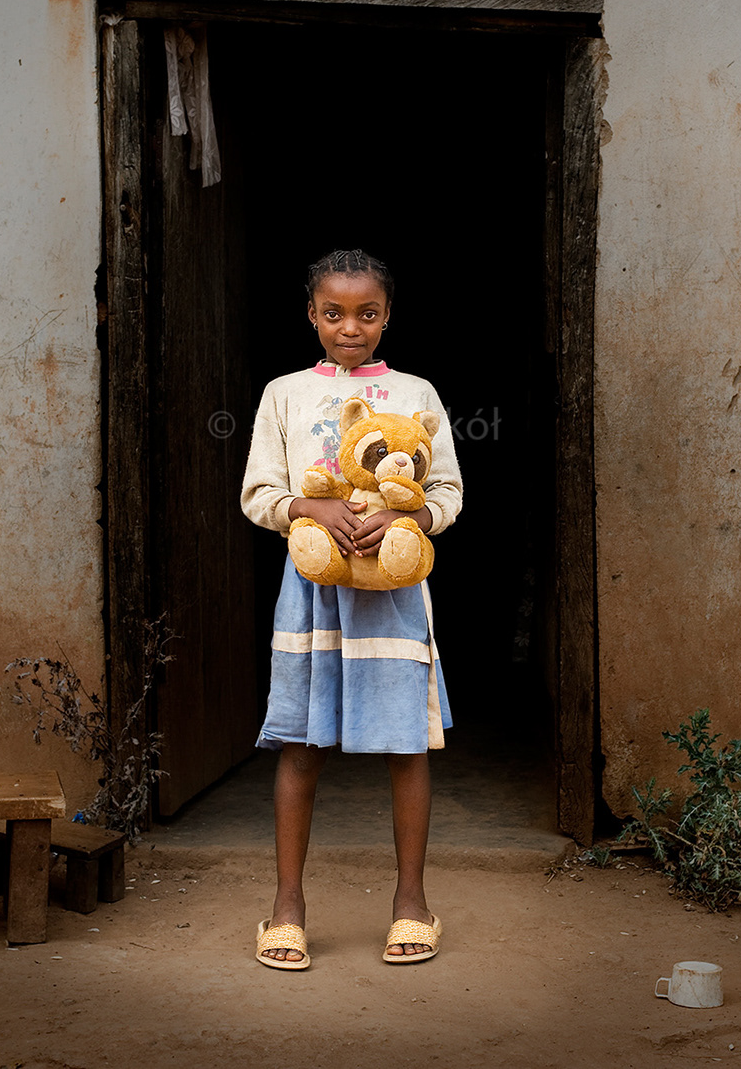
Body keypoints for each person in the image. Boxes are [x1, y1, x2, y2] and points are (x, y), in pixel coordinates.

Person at [239, 248, 463, 969]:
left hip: (394, 596)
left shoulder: (417, 395)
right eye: (333, 313)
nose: (350, 328)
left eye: (367, 314)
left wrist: (411, 522)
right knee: (302, 745)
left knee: (406, 744)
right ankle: (286, 909)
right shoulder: (283, 394)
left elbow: (448, 494)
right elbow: (258, 494)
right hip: (311, 592)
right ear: (311, 314)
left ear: (387, 316)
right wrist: (310, 506)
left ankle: (411, 904)